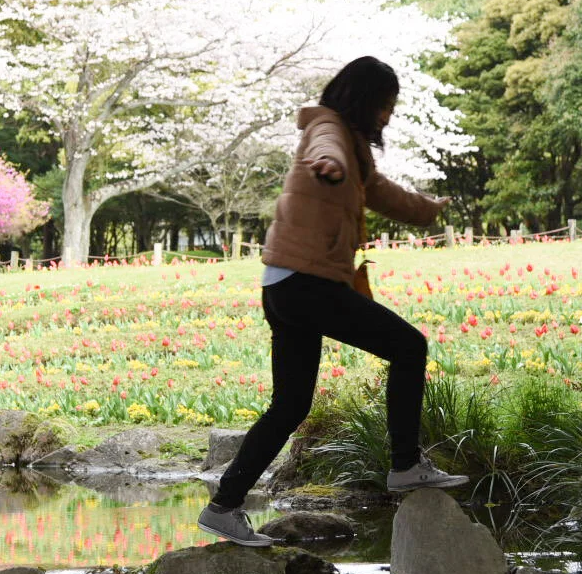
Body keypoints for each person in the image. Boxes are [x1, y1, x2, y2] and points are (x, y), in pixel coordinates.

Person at [198, 56, 467, 547]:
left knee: (290, 405)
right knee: (409, 346)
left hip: (284, 285)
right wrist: (330, 163)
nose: (388, 115)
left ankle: (224, 507)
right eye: (385, 105)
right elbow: (325, 150)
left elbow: (380, 192)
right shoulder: (328, 132)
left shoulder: (354, 151)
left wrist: (429, 210)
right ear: (363, 99)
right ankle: (406, 464)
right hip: (307, 284)